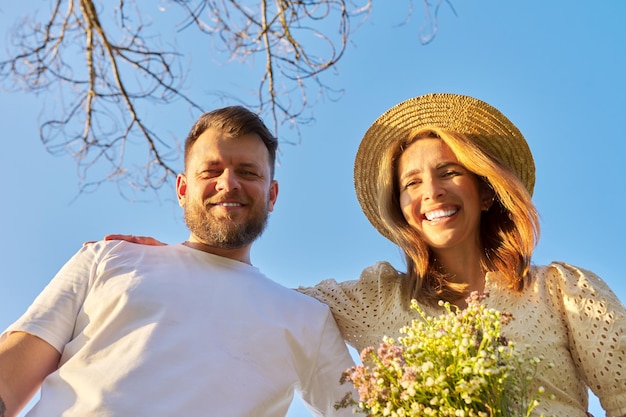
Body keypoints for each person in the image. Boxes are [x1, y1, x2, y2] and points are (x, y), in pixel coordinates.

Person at [108, 93, 626, 417]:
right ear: (400, 206)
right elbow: (261, 302)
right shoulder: (378, 299)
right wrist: (185, 257)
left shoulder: (562, 290)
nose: (432, 193)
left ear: (485, 189)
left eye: (450, 172)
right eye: (412, 183)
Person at [0, 106, 356, 417]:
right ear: (183, 190)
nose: (228, 183)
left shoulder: (306, 318)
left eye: (248, 172)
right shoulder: (108, 257)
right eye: (211, 170)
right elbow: (12, 373)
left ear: (272, 194)